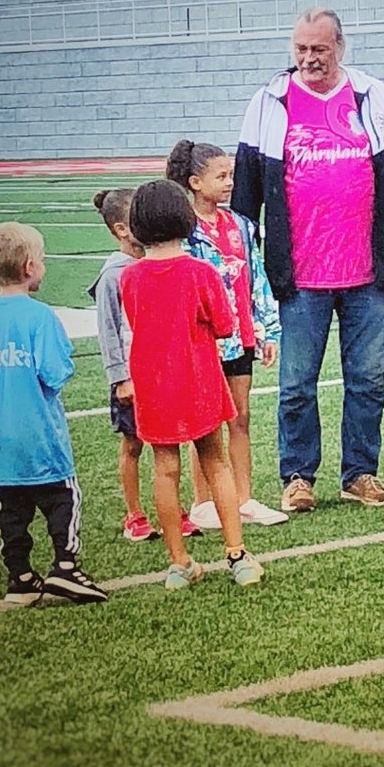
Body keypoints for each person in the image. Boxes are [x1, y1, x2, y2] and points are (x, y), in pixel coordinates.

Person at [231, 7, 384, 513]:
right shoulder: (268, 101)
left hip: (368, 271)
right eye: (300, 48)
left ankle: (360, 474)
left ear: (339, 47)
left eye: (319, 49)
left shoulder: (371, 94)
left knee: (367, 381)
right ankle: (298, 477)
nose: (309, 58)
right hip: (300, 276)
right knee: (296, 385)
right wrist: (245, 263)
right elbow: (245, 193)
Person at [120, 179, 265, 589]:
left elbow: (135, 322)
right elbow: (224, 325)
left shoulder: (129, 277)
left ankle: (179, 562)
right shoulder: (201, 273)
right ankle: (236, 554)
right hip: (198, 378)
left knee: (165, 469)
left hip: (153, 385)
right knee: (215, 462)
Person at [0, 223, 107, 605]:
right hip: (38, 434)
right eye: (42, 260)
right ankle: (65, 565)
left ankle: (21, 576)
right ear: (30, 266)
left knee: (12, 509)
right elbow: (55, 372)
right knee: (63, 498)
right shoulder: (40, 316)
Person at [165, 139, 287, 529]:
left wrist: (268, 331)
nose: (230, 182)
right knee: (206, 422)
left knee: (240, 416)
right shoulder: (182, 231)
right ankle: (204, 502)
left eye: (230, 174)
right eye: (221, 176)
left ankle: (243, 498)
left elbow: (257, 279)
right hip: (202, 340)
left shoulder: (241, 226)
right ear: (195, 182)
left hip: (241, 337)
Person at [89, 188, 199, 543]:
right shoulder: (113, 275)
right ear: (122, 229)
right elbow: (108, 331)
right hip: (132, 377)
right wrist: (120, 378)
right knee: (133, 444)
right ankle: (134, 514)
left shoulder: (154, 266)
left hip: (161, 374)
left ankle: (174, 510)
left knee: (167, 444)